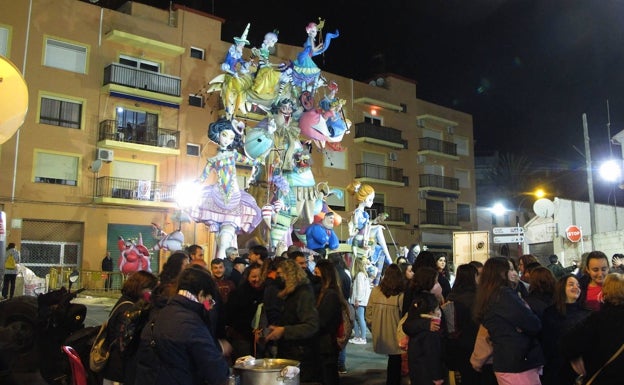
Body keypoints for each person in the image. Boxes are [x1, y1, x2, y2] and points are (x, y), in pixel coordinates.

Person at [135, 266, 232, 385]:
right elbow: (216, 371)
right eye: (210, 301)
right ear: (201, 294)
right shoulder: (191, 322)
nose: (210, 307)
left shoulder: (162, 312)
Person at [188, 118, 262, 260]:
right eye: (224, 135)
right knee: (220, 240)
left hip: (233, 197)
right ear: (218, 134)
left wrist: (260, 159)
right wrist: (194, 184)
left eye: (231, 137)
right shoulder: (213, 160)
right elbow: (202, 178)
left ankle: (223, 263)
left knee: (224, 240)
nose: (227, 140)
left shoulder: (233, 155)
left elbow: (251, 161)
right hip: (217, 197)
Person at [474, 257, 544, 385]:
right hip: (518, 362)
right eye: (510, 269)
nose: (515, 273)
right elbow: (533, 324)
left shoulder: (489, 295)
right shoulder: (504, 295)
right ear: (500, 273)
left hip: (507, 361)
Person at [264, 258, 320, 383]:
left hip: (301, 357)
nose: (277, 277)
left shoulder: (303, 293)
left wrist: (284, 331)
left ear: (289, 274)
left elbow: (311, 325)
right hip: (290, 354)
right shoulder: (291, 293)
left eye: (280, 274)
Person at [562, 273, 624, 385]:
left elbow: (567, 345)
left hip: (601, 377)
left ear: (604, 293)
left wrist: (577, 361)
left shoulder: (596, 319)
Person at [102, 270, 158, 385]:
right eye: (151, 290)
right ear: (141, 288)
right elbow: (124, 343)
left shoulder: (125, 301)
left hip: (116, 368)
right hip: (119, 372)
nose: (152, 294)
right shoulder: (129, 308)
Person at [540, 274, 591, 385]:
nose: (576, 287)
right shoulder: (550, 313)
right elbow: (547, 342)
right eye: (571, 284)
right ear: (562, 288)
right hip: (557, 368)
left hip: (581, 367)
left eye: (578, 285)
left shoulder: (587, 312)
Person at [346, 180, 392, 285]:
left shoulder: (363, 213)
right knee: (379, 231)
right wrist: (375, 226)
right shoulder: (358, 213)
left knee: (379, 240)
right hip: (359, 239)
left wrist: (376, 222)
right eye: (370, 199)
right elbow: (361, 228)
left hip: (364, 237)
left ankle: (373, 280)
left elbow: (367, 226)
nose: (372, 202)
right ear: (363, 198)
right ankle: (388, 260)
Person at [365, 263, 405, 385]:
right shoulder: (400, 294)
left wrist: (374, 327)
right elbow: (404, 316)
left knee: (393, 360)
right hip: (395, 334)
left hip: (380, 334)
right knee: (395, 361)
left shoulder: (376, 291)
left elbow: (369, 313)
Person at [444, 263, 482, 385]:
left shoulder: (452, 297)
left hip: (458, 345)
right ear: (473, 277)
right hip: (476, 344)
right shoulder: (479, 298)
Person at [402, 291, 445, 385]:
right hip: (427, 376)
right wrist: (437, 376)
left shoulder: (416, 324)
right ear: (431, 312)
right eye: (438, 309)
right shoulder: (431, 331)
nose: (440, 312)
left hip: (416, 371)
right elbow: (433, 355)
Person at [313, 259, 344, 385]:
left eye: (316, 273)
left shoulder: (330, 295)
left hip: (327, 346)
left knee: (328, 376)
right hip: (323, 345)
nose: (314, 276)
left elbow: (323, 321)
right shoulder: (322, 293)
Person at [225, 262, 264, 361]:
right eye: (253, 276)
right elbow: (230, 317)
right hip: (242, 338)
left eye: (260, 276)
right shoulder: (238, 294)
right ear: (247, 277)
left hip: (260, 339)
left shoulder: (266, 292)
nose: (257, 279)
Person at [349, 257, 371, 345]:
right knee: (357, 318)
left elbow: (360, 289)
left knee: (360, 318)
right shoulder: (363, 275)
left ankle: (362, 337)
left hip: (359, 301)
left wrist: (358, 299)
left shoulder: (360, 275)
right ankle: (358, 336)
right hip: (360, 300)